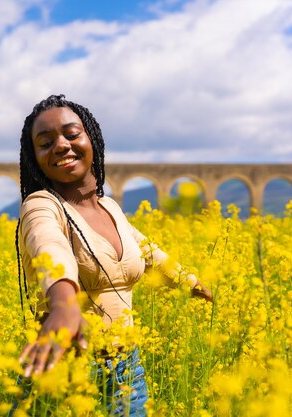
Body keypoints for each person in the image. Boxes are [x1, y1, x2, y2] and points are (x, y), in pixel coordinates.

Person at [13, 94, 213, 416]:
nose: (61, 145)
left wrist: (189, 281)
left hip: (126, 368)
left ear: (91, 138)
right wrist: (64, 305)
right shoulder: (41, 205)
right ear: (34, 157)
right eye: (45, 142)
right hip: (67, 367)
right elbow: (49, 246)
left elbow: (147, 252)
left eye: (71, 134)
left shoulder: (109, 207)